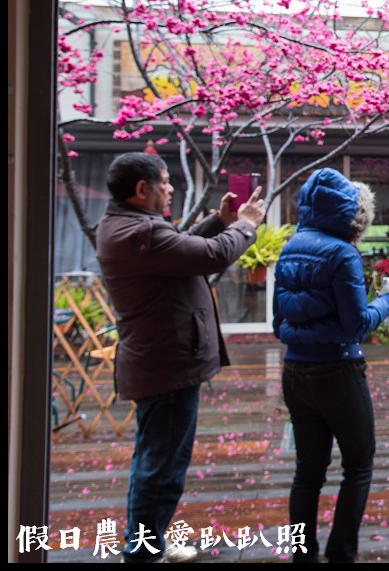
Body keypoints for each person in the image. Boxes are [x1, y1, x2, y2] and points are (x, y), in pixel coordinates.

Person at [95, 151, 266, 564]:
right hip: (166, 364)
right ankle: (143, 552)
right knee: (162, 466)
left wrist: (219, 222)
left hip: (162, 360)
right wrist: (245, 225)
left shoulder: (132, 227)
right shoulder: (140, 233)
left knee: (154, 458)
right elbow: (210, 256)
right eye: (166, 181)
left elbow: (183, 248)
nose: (171, 188)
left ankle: (146, 540)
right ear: (141, 190)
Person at [272, 168, 389, 563]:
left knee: (306, 473)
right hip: (338, 373)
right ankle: (341, 554)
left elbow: (280, 324)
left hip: (294, 373)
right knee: (358, 465)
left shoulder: (290, 248)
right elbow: (356, 325)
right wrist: (388, 298)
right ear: (350, 210)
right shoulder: (343, 253)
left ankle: (302, 557)